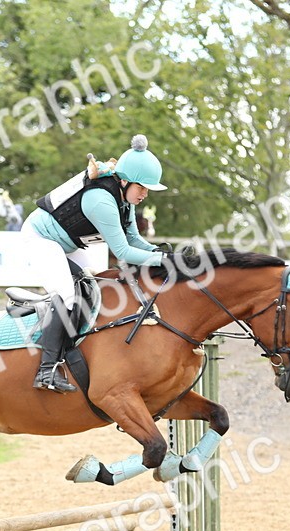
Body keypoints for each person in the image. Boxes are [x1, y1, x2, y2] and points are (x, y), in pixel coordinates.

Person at [21, 134, 168, 392]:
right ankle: (46, 370)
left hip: (68, 244)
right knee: (68, 296)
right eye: (142, 187)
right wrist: (162, 260)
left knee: (95, 283)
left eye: (147, 189)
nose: (145, 193)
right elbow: (123, 251)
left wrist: (159, 252)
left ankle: (78, 348)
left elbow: (134, 238)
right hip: (40, 238)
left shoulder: (124, 198)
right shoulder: (101, 200)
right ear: (124, 180)